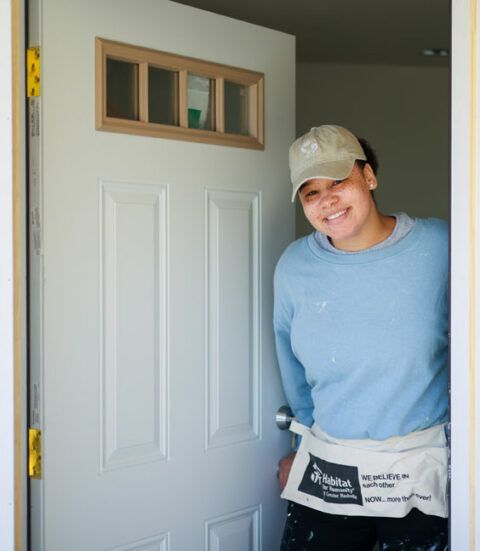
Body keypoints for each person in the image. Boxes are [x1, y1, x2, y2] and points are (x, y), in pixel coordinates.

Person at [274, 125, 448, 550]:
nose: (327, 200)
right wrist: (300, 448)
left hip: (418, 469)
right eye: (311, 192)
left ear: (369, 176)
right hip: (331, 467)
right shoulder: (295, 266)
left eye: (339, 181)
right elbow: (293, 371)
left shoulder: (441, 247)